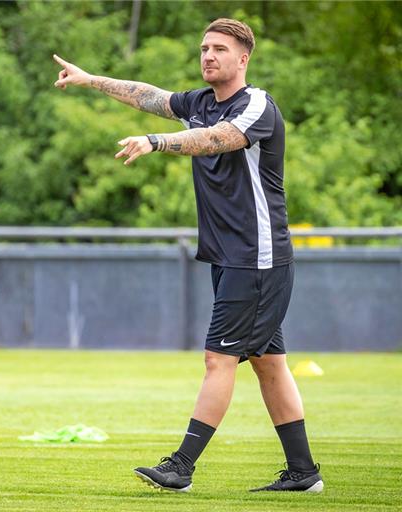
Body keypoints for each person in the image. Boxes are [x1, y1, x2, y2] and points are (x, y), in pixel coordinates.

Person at [53, 18, 323, 493]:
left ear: (243, 59)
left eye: (219, 49)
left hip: (256, 258)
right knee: (268, 363)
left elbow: (216, 139)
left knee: (218, 360)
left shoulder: (256, 106)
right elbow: (147, 94)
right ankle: (303, 473)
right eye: (203, 48)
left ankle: (182, 466)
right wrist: (89, 79)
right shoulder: (198, 103)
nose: (208, 55)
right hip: (232, 258)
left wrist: (156, 142)